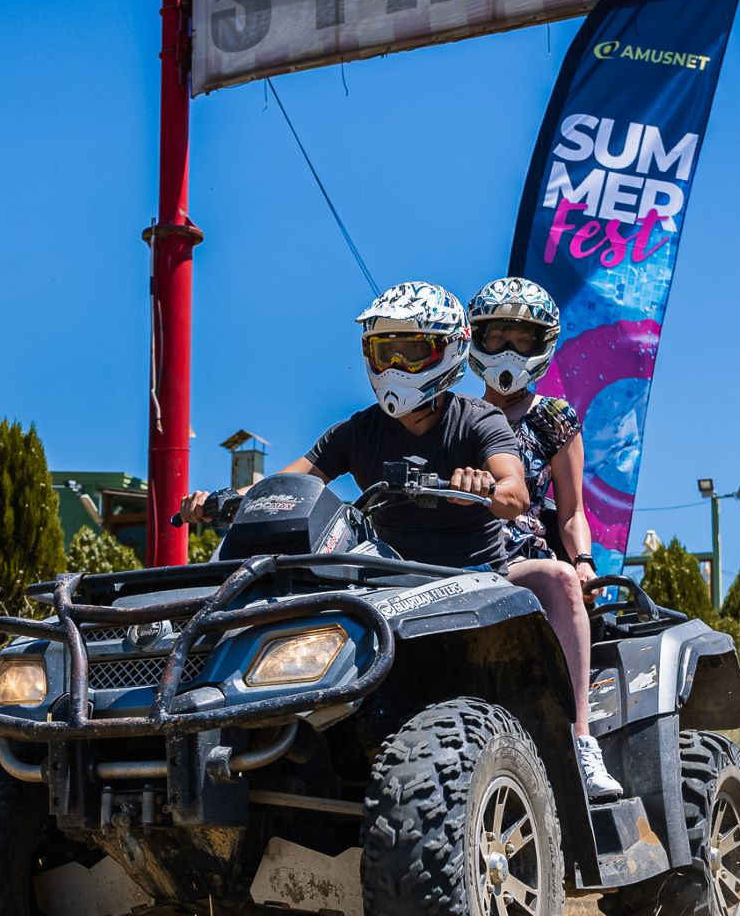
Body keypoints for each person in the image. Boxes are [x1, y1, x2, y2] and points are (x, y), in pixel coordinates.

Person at [179, 280, 622, 799]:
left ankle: (579, 739)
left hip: (482, 578)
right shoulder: (356, 431)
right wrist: (226, 498)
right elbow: (289, 483)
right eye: (384, 351)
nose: (396, 365)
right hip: (388, 583)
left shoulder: (479, 418)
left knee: (556, 576)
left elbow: (515, 490)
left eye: (413, 351)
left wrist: (489, 487)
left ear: (447, 351)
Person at [462, 276, 617, 798]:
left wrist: (585, 563)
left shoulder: (553, 418)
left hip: (519, 558)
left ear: (542, 344)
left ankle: (580, 740)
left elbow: (572, 512)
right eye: (497, 335)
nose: (507, 349)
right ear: (474, 340)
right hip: (453, 560)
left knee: (559, 577)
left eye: (521, 338)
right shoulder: (453, 414)